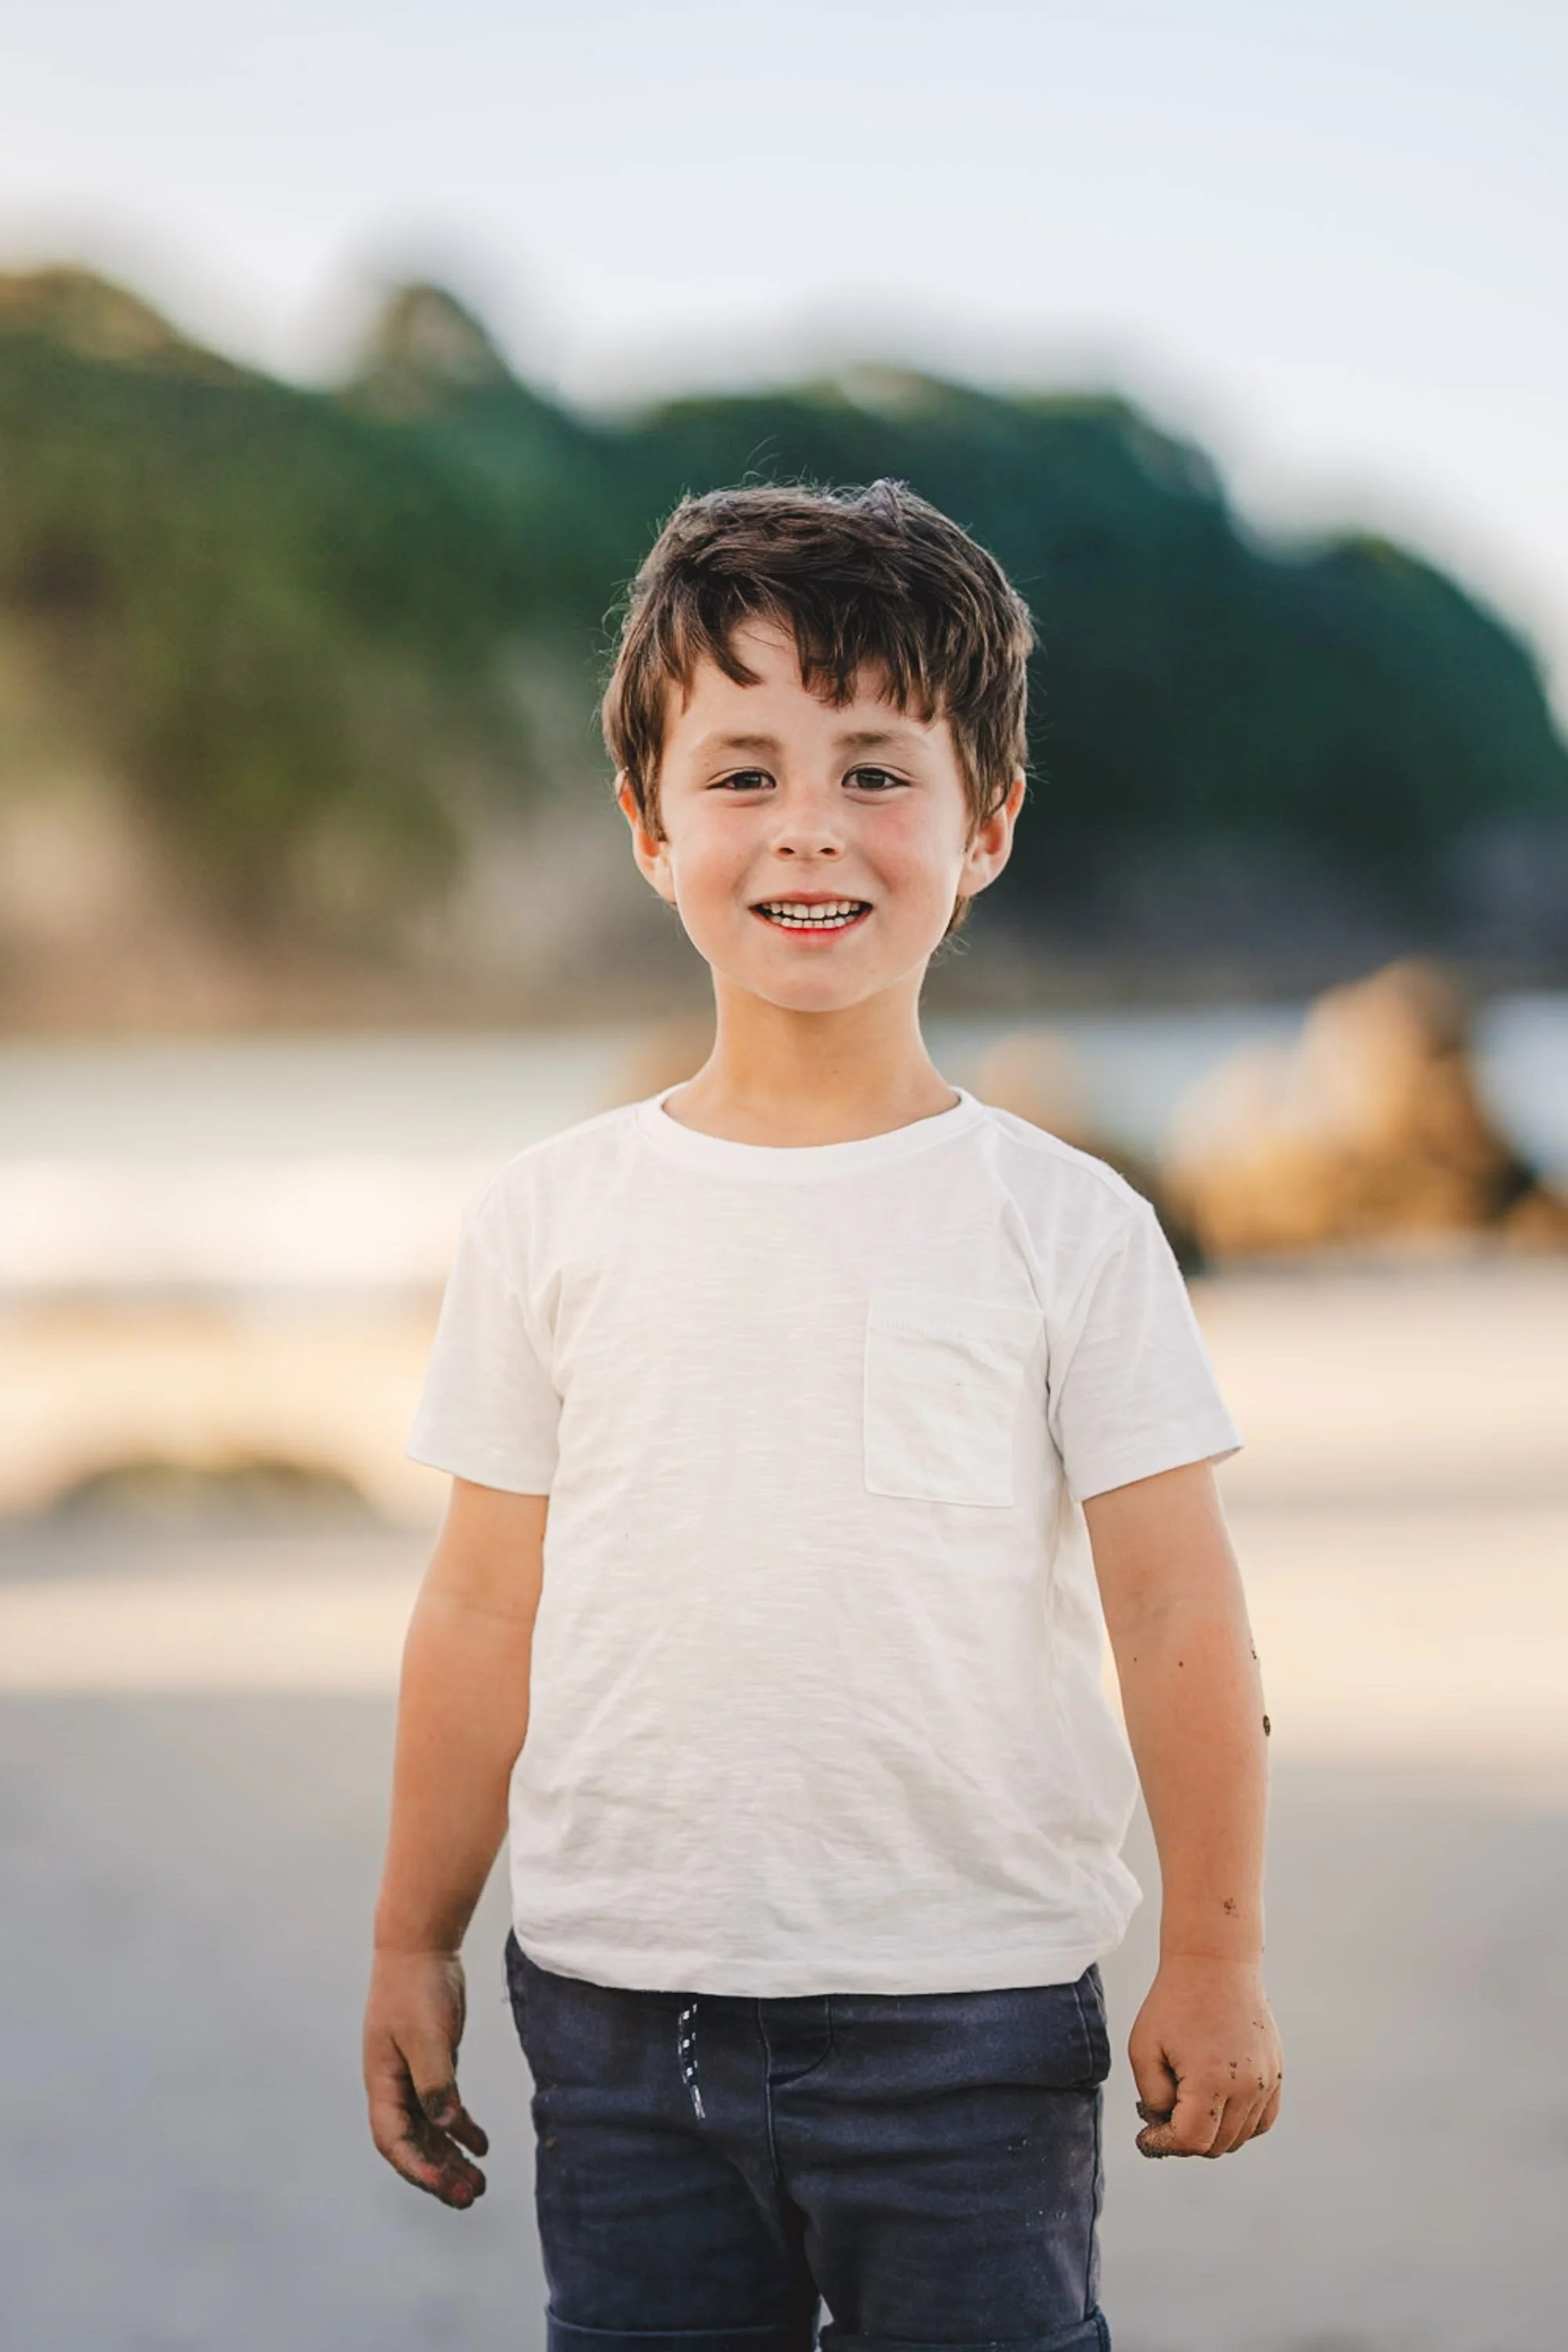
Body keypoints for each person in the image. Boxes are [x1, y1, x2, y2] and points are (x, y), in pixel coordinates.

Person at [363, 481, 1283, 2351]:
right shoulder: (550, 1217)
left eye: (877, 772)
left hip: (972, 2013)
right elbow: (479, 1604)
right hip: (615, 2011)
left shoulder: (1063, 1224)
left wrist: (1212, 1952)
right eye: (744, 771)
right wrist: (409, 1937)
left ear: (985, 826)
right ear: (648, 825)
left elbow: (1178, 1612)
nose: (809, 827)